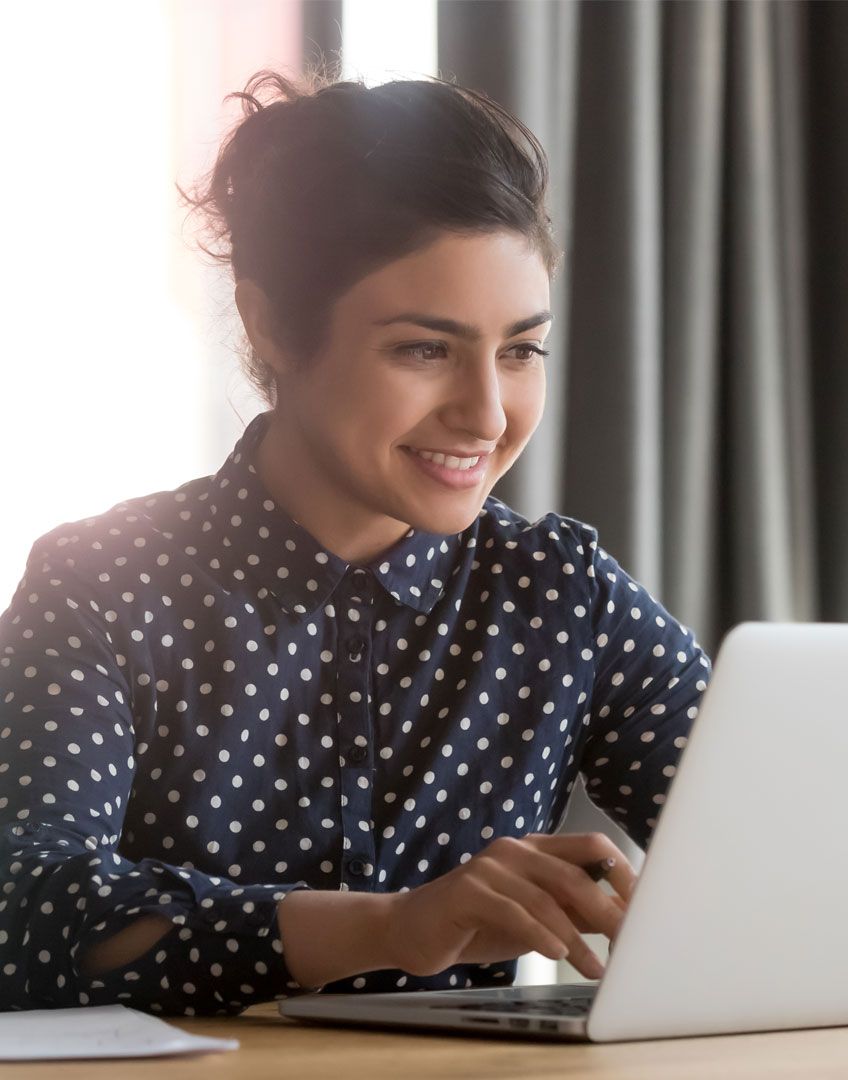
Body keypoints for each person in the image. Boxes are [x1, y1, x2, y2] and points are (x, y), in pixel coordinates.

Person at [0, 69, 710, 1017]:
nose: (487, 414)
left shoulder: (561, 594)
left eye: (520, 350)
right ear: (273, 330)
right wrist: (389, 928)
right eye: (424, 349)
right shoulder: (103, 583)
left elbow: (788, 850)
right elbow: (25, 920)